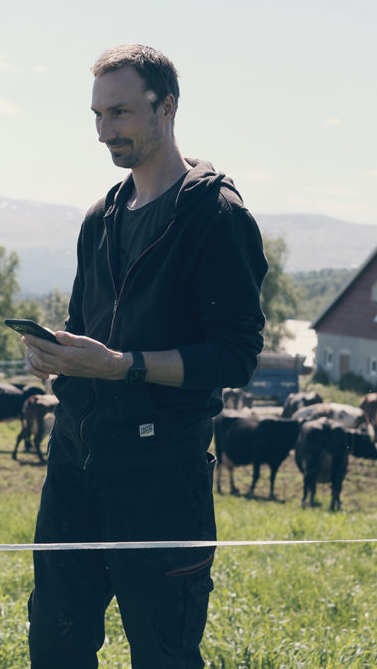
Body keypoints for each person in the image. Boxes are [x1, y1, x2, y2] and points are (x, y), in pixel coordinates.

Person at [21, 44, 268, 667]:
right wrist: (59, 355)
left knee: (163, 654)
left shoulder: (218, 217)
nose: (105, 132)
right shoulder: (99, 217)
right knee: (55, 645)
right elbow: (87, 330)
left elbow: (235, 358)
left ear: (168, 108)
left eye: (122, 113)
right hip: (75, 463)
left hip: (161, 477)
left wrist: (123, 365)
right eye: (98, 115)